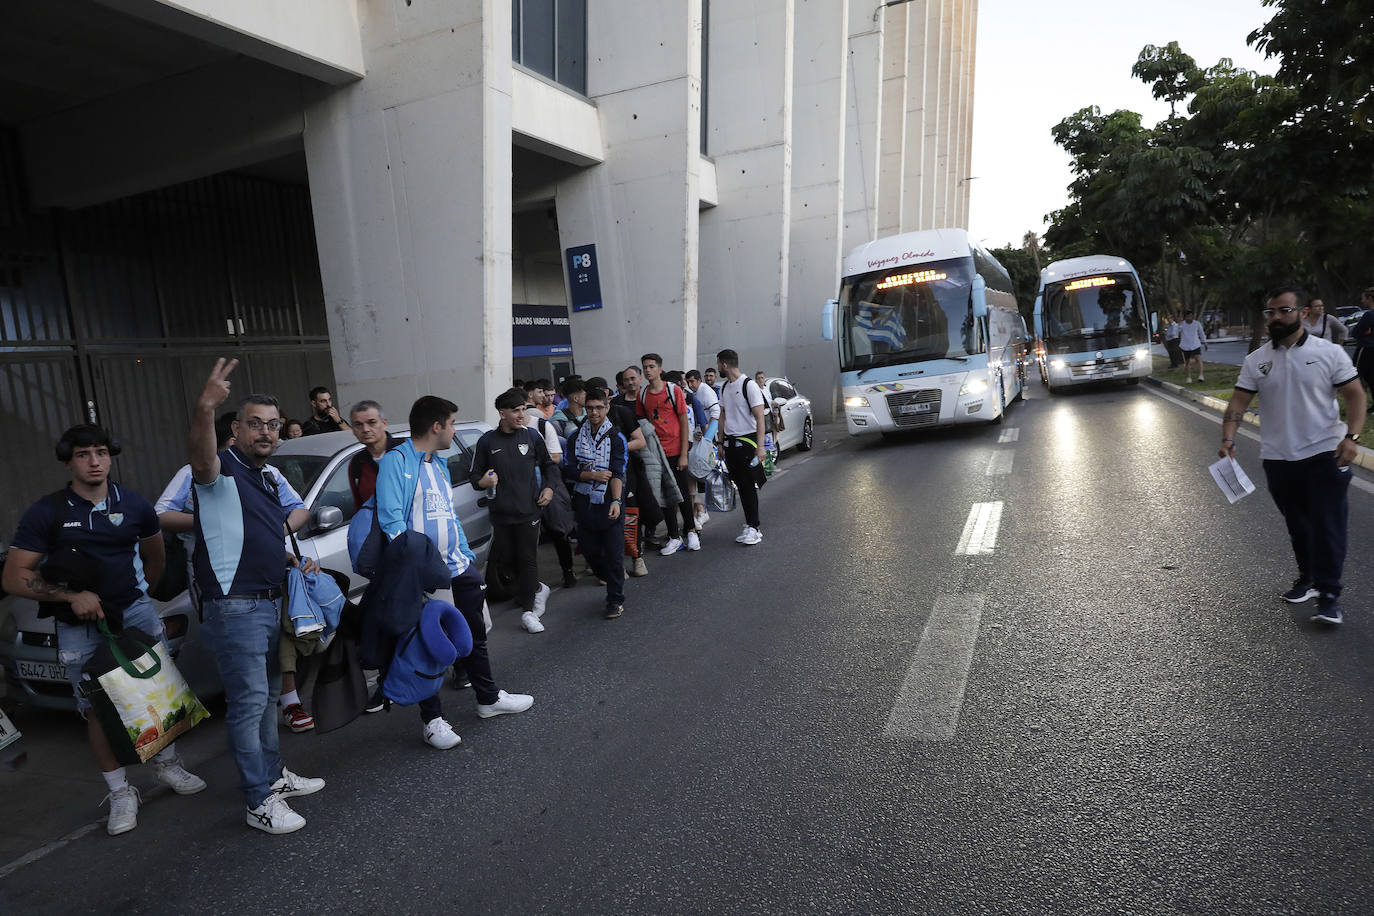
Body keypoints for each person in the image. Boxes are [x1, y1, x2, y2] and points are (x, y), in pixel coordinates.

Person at [2, 424, 205, 837]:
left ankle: (168, 766)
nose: (93, 461)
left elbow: (155, 557)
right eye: (82, 454)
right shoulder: (48, 512)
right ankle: (119, 792)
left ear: (111, 456)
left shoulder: (134, 505)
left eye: (100, 452)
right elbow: (13, 577)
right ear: (67, 460)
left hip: (134, 615)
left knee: (157, 694)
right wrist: (68, 595)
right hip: (78, 626)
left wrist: (137, 597)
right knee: (95, 708)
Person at [187, 360, 326, 835]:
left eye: (272, 424)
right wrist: (205, 407)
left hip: (268, 599)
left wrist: (286, 559)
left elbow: (258, 530)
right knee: (249, 704)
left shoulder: (265, 476)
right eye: (255, 424)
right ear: (236, 428)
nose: (265, 432)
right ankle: (258, 799)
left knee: (268, 699)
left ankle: (272, 776)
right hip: (236, 605)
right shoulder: (221, 468)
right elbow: (201, 461)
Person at [378, 395, 533, 742]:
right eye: (450, 424)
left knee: (474, 636)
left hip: (458, 567)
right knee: (428, 646)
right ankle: (432, 721)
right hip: (424, 575)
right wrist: (416, 569)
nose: (452, 430)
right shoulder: (396, 462)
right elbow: (391, 522)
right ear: (436, 426)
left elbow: (448, 515)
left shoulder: (439, 464)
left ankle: (488, 698)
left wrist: (464, 554)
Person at [156, 414, 316, 734]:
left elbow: (298, 509)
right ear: (230, 440)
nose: (261, 437)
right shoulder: (193, 474)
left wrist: (270, 533)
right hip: (218, 578)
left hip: (265, 571)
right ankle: (254, 735)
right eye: (252, 430)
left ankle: (287, 703)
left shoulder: (267, 473)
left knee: (276, 641)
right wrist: (209, 523)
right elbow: (160, 514)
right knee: (240, 652)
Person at [1219, 286, 1366, 625]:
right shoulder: (1257, 360)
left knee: (1328, 525)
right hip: (1278, 458)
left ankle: (1329, 596)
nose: (1276, 317)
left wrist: (1352, 437)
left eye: (1284, 310)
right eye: (1271, 312)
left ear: (1302, 313)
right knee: (1298, 524)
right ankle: (1309, 577)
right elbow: (1239, 401)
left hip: (1325, 454)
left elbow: (1355, 396)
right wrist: (1229, 437)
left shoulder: (1327, 353)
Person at [471, 389, 558, 633]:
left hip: (529, 511)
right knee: (507, 563)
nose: (522, 415)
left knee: (528, 559)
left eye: (523, 410)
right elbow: (474, 475)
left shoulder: (532, 436)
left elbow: (550, 467)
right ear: (502, 413)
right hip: (501, 515)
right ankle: (537, 589)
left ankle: (529, 612)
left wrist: (549, 489)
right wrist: (483, 482)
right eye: (516, 411)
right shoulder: (487, 441)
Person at [563, 388, 628, 619]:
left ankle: (615, 599)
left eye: (598, 407)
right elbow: (568, 469)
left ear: (607, 408)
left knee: (614, 554)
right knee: (589, 551)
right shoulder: (575, 437)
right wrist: (590, 476)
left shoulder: (616, 438)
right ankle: (611, 576)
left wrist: (617, 501)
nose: (593, 412)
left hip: (610, 499)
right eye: (589, 408)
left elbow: (618, 472)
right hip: (584, 501)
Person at [587, 376, 650, 577]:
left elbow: (640, 441)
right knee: (605, 520)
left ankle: (637, 557)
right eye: (591, 405)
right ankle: (615, 565)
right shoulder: (585, 423)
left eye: (600, 401)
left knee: (629, 516)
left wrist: (616, 447)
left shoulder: (622, 413)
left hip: (624, 473)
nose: (595, 411)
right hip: (597, 480)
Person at [637, 353, 698, 554]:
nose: (648, 370)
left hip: (675, 451)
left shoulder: (673, 391)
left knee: (681, 493)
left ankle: (691, 531)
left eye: (651, 366)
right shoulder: (643, 394)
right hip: (656, 455)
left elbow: (683, 422)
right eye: (645, 367)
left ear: (660, 369)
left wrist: (683, 454)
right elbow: (643, 424)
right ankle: (674, 536)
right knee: (664, 496)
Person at [718, 349, 768, 545]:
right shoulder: (725, 387)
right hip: (730, 445)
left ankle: (754, 528)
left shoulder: (749, 385)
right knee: (740, 486)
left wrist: (761, 447)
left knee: (748, 487)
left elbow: (759, 417)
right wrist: (720, 442)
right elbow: (722, 415)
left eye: (718, 364)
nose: (717, 367)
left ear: (724, 364)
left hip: (747, 444)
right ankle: (749, 524)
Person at [684, 368, 721, 529]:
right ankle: (699, 512)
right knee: (696, 476)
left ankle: (702, 511)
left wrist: (708, 439)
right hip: (700, 437)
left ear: (699, 381)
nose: (690, 384)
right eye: (688, 382)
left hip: (706, 439)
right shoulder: (696, 393)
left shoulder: (704, 392)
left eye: (693, 381)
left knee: (700, 476)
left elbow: (716, 413)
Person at [1350, 287, 1374, 411]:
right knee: (1371, 377)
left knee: (1354, 374)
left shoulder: (1369, 315)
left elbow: (1355, 332)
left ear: (1369, 298)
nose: (1362, 301)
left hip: (1365, 348)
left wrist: (1365, 332)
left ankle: (1357, 404)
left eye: (1363, 298)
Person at [1178, 311, 1208, 383]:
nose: (1189, 318)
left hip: (1195, 344)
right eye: (1188, 316)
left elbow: (1201, 333)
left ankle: (1201, 376)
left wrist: (1205, 342)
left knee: (1198, 359)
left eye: (1191, 316)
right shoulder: (1182, 324)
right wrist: (1178, 324)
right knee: (1187, 362)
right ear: (1185, 317)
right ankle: (1188, 377)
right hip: (1185, 345)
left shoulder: (1197, 323)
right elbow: (1176, 332)